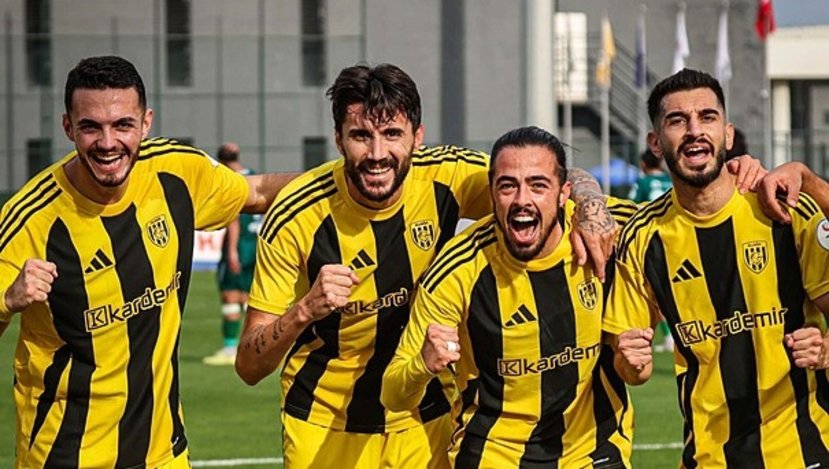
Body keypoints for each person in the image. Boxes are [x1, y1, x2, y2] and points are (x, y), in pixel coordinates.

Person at [234, 63, 620, 468]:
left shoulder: (447, 177)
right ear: (338, 139)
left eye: (392, 134)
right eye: (361, 136)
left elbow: (542, 172)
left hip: (425, 417)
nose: (377, 154)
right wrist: (304, 311)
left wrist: (591, 206)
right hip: (323, 422)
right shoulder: (297, 215)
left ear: (417, 137)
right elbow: (248, 366)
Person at [0, 56, 295, 468]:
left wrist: (347, 177)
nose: (108, 142)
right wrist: (7, 301)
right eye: (91, 127)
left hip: (164, 453)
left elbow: (258, 192)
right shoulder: (30, 219)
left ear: (146, 123)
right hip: (64, 455)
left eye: (123, 124)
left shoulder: (175, 173)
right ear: (68, 127)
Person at [603, 68, 829, 468]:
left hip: (807, 451)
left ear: (727, 134)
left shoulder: (784, 209)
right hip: (709, 458)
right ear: (656, 143)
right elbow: (630, 366)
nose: (694, 130)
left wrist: (825, 351)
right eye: (677, 120)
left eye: (706, 117)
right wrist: (631, 361)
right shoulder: (642, 237)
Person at [382, 126, 637, 467]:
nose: (521, 200)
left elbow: (676, 220)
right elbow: (393, 394)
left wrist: (592, 201)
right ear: (491, 192)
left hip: (590, 451)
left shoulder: (606, 230)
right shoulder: (458, 268)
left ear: (564, 193)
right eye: (507, 186)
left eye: (538, 185)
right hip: (494, 453)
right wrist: (422, 365)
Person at [203, 143, 262, 366]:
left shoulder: (230, 181)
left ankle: (230, 348)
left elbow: (234, 220)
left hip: (239, 249)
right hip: (256, 247)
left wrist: (231, 253)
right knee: (249, 298)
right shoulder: (255, 176)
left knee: (230, 297)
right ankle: (255, 347)